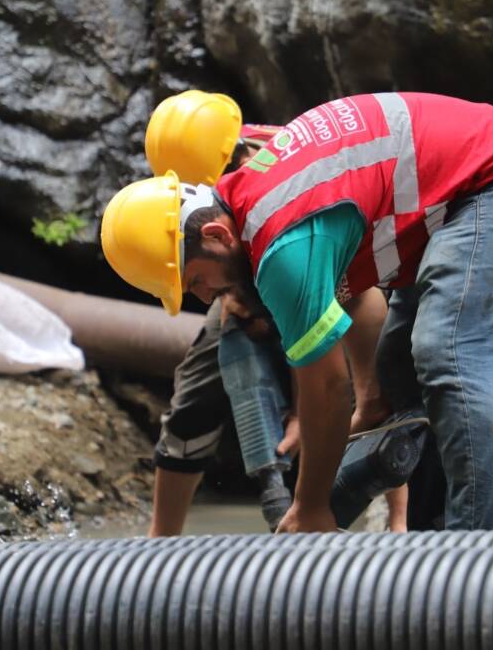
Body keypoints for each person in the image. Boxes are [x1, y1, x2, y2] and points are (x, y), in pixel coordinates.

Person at [103, 92, 493, 532]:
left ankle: (475, 563)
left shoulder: (281, 242)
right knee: (400, 378)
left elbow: (327, 383)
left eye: (197, 281)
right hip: (444, 204)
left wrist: (311, 504)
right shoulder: (247, 198)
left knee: (445, 353)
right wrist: (366, 412)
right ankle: (433, 545)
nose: (206, 298)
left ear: (218, 239)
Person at [134, 90, 405, 535]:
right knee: (198, 391)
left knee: (374, 377)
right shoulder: (193, 157)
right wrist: (229, 295)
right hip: (231, 274)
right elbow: (203, 243)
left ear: (236, 154)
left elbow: (321, 324)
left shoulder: (276, 164)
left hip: (317, 267)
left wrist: (302, 412)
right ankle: (158, 544)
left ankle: (399, 521)